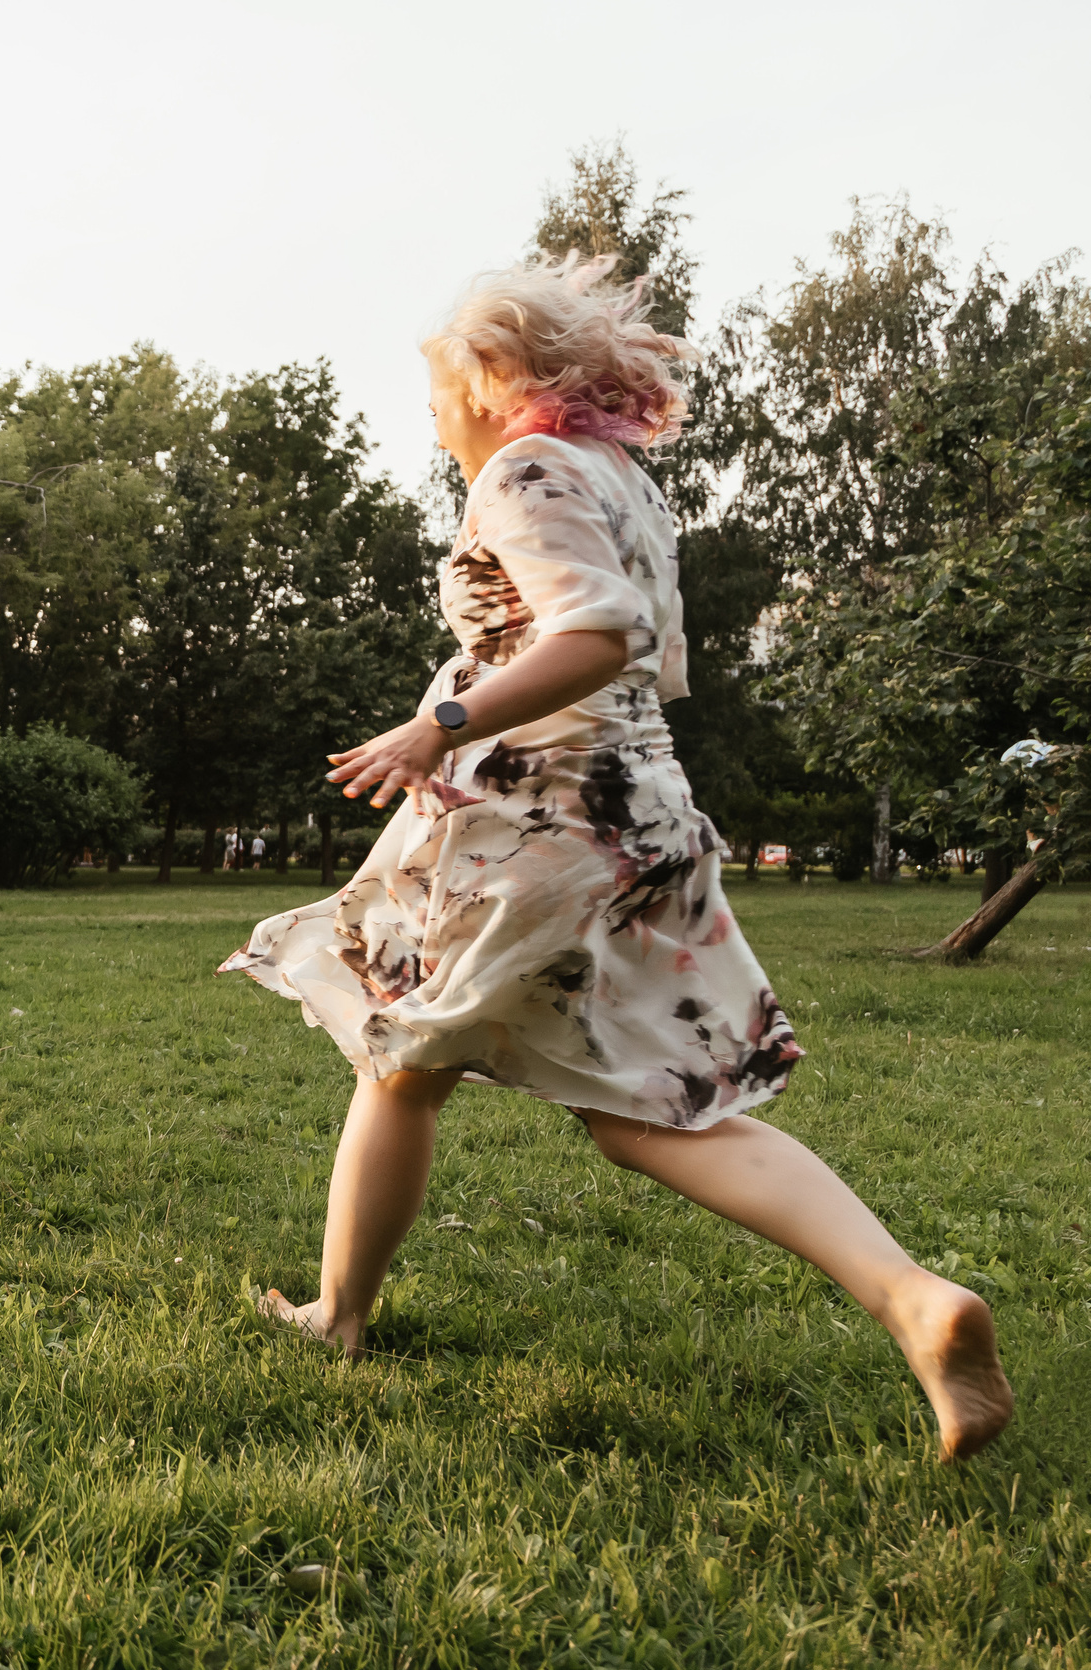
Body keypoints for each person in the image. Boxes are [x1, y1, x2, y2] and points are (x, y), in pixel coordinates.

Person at [226, 254, 1011, 1461]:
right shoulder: (623, 481)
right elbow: (655, 658)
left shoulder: (520, 469)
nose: (432, 418)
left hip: (544, 817)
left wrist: (434, 723)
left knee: (401, 1063)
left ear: (490, 379)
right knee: (658, 1110)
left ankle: (338, 1315)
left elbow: (599, 636)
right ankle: (912, 1295)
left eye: (437, 391)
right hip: (642, 808)